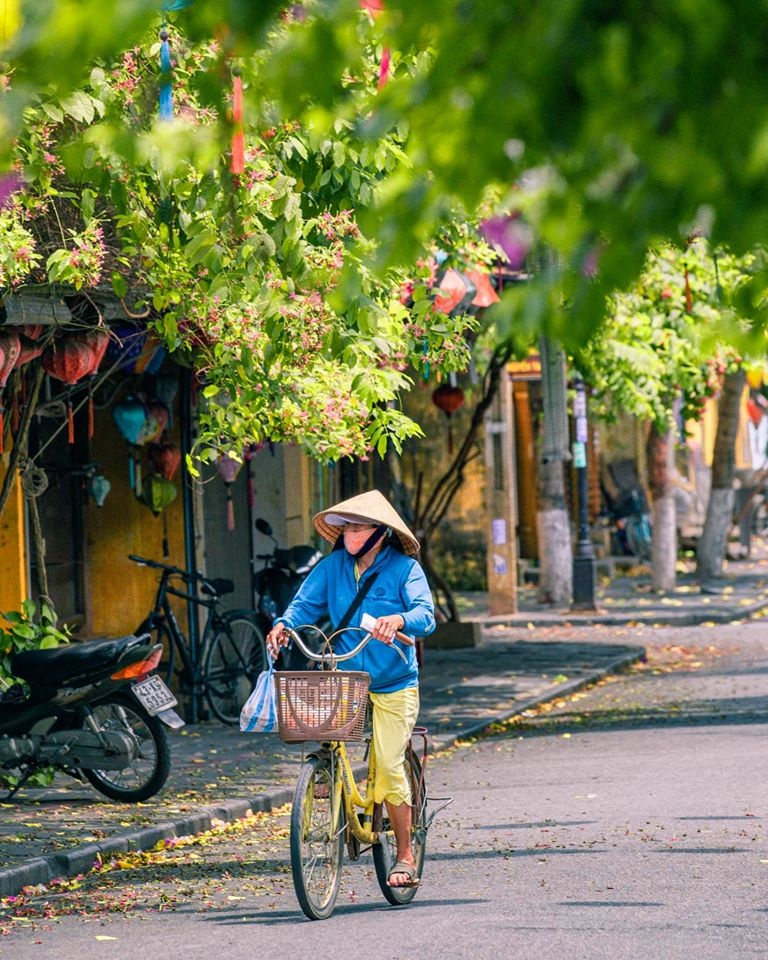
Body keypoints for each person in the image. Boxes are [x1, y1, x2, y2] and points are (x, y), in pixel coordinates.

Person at [266, 489, 435, 889]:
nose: (349, 533)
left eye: (358, 527)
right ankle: (326, 783)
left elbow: (425, 616)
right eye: (346, 527)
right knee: (319, 736)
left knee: (390, 766)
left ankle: (406, 854)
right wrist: (283, 625)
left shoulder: (405, 569)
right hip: (344, 680)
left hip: (394, 683)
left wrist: (398, 619)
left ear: (380, 533)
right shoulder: (333, 567)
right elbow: (303, 605)